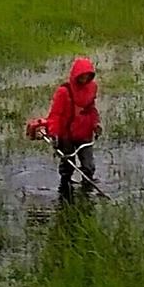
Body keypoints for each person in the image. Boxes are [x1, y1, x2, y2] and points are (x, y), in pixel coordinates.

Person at [46, 57, 102, 201]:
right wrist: (54, 134)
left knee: (88, 166)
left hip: (85, 133)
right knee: (67, 167)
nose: (84, 80)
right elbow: (56, 114)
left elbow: (92, 109)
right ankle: (65, 194)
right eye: (81, 77)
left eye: (87, 77)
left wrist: (96, 125)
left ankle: (86, 194)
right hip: (67, 135)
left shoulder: (92, 88)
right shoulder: (64, 91)